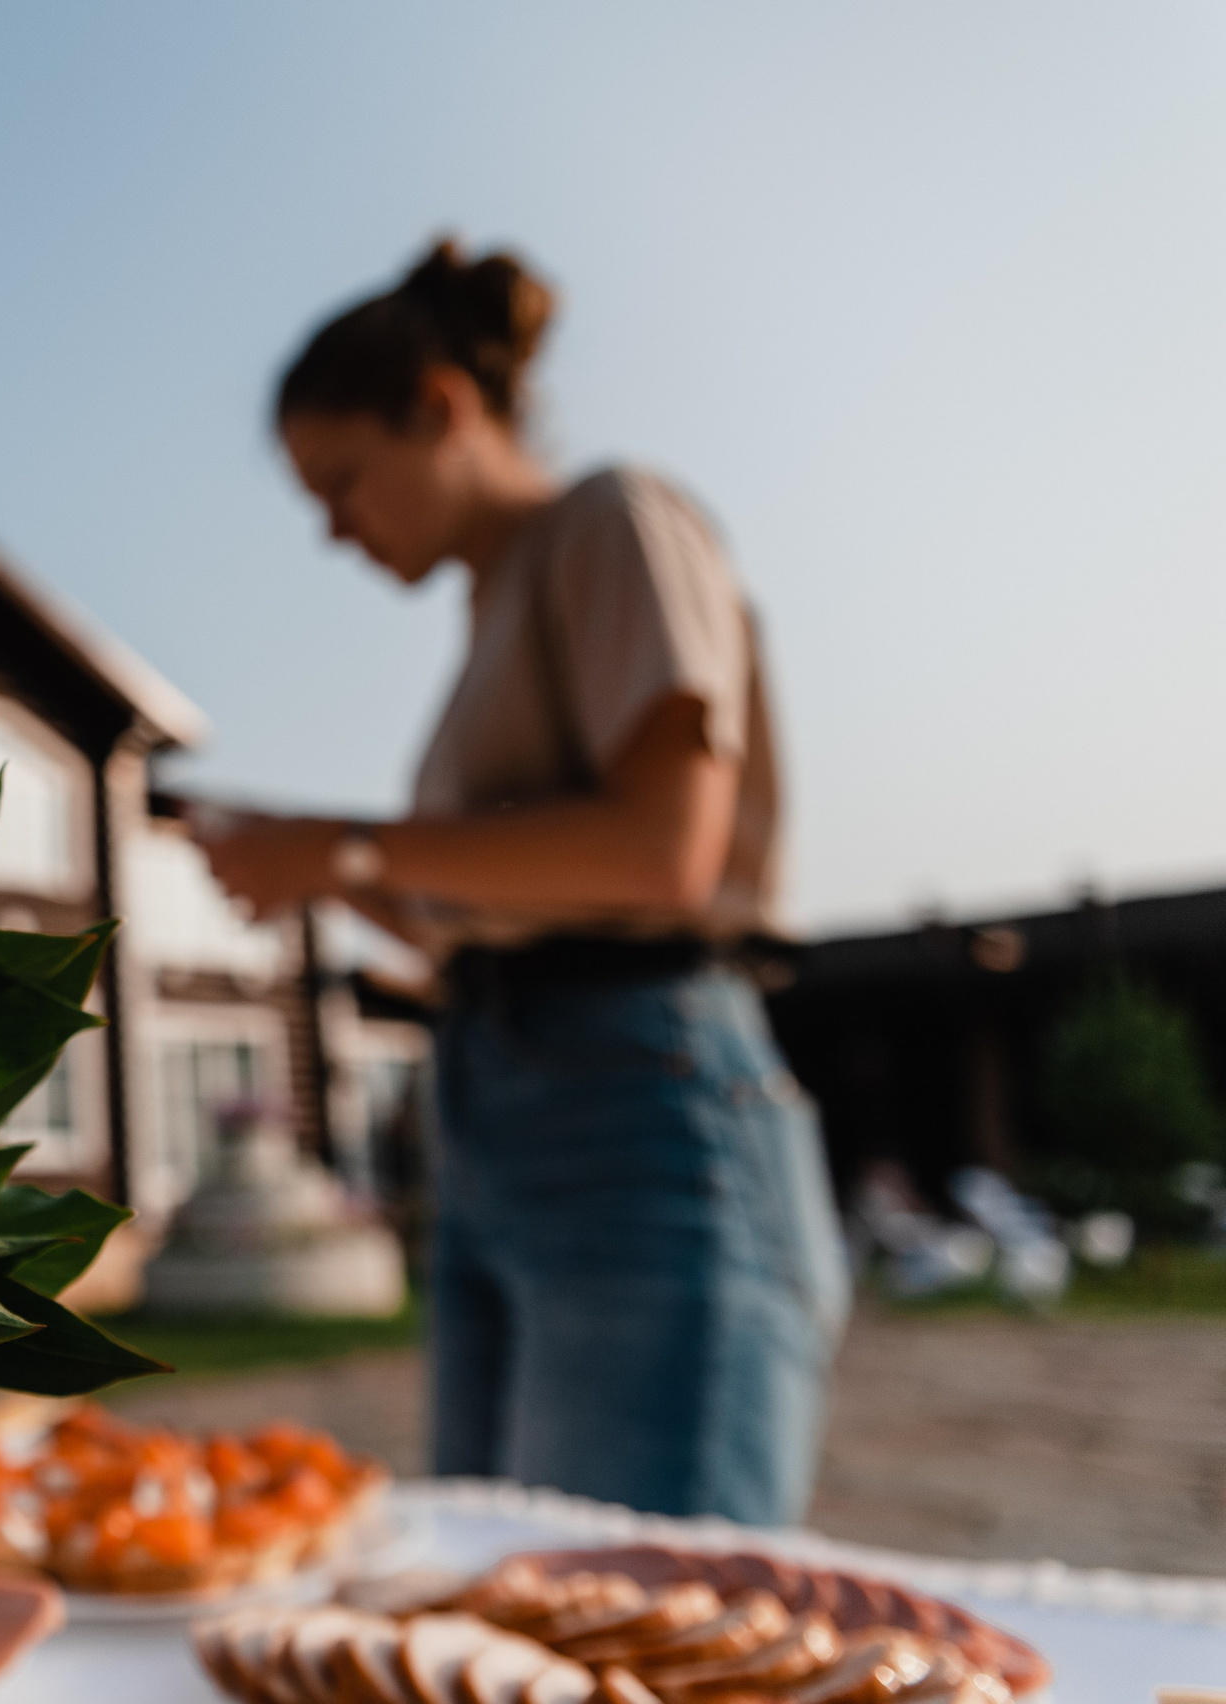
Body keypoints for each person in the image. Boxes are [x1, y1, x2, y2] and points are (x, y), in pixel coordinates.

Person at [199, 240, 850, 1526]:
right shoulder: (498, 608)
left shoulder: (611, 522)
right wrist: (311, 865)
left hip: (639, 1103)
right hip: (510, 1110)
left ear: (440, 409)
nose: (333, 530)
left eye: (342, 483)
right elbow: (503, 905)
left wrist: (342, 846)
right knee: (498, 1595)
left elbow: (665, 852)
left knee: (630, 1603)